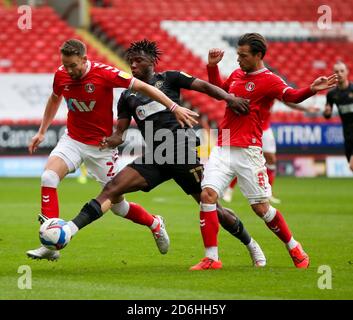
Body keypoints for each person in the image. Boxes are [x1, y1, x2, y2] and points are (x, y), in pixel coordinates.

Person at [65, 39, 266, 268]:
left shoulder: (170, 78)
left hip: (182, 153)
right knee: (112, 189)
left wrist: (229, 98)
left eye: (138, 61)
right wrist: (112, 140)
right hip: (156, 157)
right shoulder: (127, 97)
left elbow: (205, 87)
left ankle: (251, 245)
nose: (133, 65)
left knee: (214, 210)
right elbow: (120, 133)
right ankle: (69, 230)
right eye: (130, 61)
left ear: (151, 61)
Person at [26, 39, 198, 261]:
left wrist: (173, 107)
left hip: (101, 148)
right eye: (65, 65)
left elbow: (143, 86)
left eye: (73, 66)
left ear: (85, 59)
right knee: (48, 177)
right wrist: (42, 131)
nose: (69, 71)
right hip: (73, 140)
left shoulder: (104, 74)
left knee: (118, 206)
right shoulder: (61, 75)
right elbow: (54, 98)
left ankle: (154, 222)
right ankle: (51, 243)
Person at [191, 33, 337, 270]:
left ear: (258, 55)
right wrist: (211, 67)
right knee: (207, 196)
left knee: (261, 208)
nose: (239, 60)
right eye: (238, 54)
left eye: (243, 55)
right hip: (224, 143)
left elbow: (291, 95)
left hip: (248, 149)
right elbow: (220, 91)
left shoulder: (270, 80)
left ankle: (293, 246)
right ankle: (212, 258)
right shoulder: (238, 74)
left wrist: (311, 89)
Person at [222, 102, 320, 204]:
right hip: (249, 129)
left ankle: (268, 193)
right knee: (244, 160)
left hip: (265, 129)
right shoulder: (250, 89)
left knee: (272, 160)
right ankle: (229, 189)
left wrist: (305, 108)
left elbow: (288, 100)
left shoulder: (271, 88)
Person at [324, 61, 353, 172]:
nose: (339, 73)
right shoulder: (332, 94)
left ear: (347, 72)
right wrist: (327, 112)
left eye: (342, 71)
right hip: (347, 134)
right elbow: (327, 115)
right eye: (336, 71)